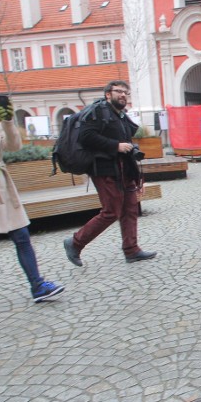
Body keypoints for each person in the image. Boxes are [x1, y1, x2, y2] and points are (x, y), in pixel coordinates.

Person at [0, 86, 64, 304]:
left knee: (22, 236)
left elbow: (14, 146)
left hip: (1, 184)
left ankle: (37, 286)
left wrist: (7, 121)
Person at [63, 80, 156, 266]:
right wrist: (115, 146)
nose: (123, 95)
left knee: (130, 208)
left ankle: (132, 250)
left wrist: (137, 177)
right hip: (104, 170)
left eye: (125, 92)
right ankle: (75, 242)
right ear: (108, 94)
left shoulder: (120, 116)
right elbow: (85, 136)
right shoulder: (98, 112)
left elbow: (127, 146)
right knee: (111, 211)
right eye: (118, 91)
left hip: (124, 170)